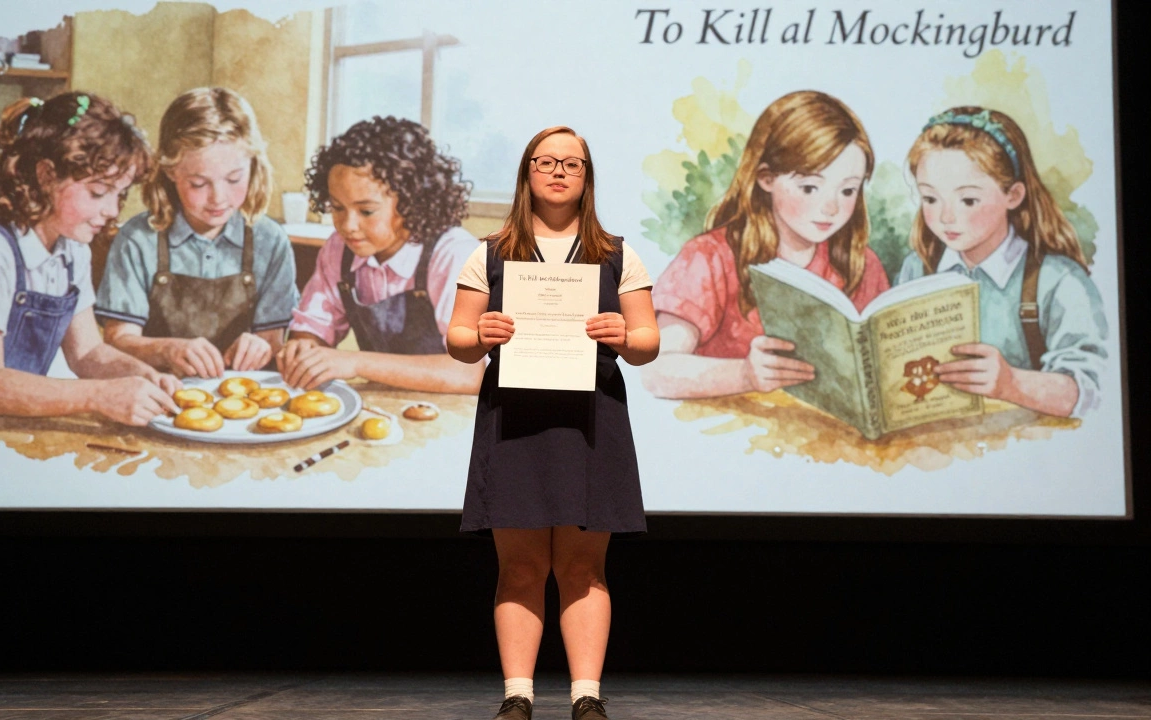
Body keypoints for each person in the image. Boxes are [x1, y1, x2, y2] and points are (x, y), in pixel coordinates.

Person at [448, 126, 659, 720]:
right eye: (547, 161)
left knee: (584, 565)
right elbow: (459, 337)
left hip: (590, 419)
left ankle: (586, 695)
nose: (560, 171)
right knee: (518, 565)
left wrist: (626, 336)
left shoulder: (618, 253)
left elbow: (648, 340)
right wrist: (479, 334)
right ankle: (518, 696)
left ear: (588, 175)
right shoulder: (488, 251)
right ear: (527, 172)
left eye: (573, 163)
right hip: (514, 419)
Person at [0, 92, 180, 424]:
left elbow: (87, 353)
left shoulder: (72, 251)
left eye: (119, 194)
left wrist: (141, 376)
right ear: (46, 175)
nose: (112, 211)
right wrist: (99, 396)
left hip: (14, 420)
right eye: (98, 192)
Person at [641, 90, 890, 398]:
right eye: (810, 187)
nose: (832, 207)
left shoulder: (861, 264)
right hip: (733, 433)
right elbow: (654, 371)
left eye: (848, 191)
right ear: (766, 178)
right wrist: (744, 375)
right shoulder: (709, 258)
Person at [894, 107, 1107, 417]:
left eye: (968, 200)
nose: (945, 217)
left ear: (1013, 195)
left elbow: (1095, 392)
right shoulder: (917, 269)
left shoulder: (1059, 281)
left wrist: (1012, 383)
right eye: (930, 198)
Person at [97, 87, 297, 377]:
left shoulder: (270, 241)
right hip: (158, 392)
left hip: (242, 401)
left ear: (253, 166)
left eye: (234, 179)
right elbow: (117, 341)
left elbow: (272, 341)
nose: (218, 198)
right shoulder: (137, 240)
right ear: (170, 172)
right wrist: (166, 351)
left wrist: (260, 347)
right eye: (199, 183)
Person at [277, 116, 482, 393]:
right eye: (337, 207)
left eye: (366, 211)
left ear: (412, 202)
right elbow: (311, 329)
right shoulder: (339, 250)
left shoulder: (454, 255)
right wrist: (304, 348)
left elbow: (470, 373)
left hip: (456, 413)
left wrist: (356, 363)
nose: (348, 226)